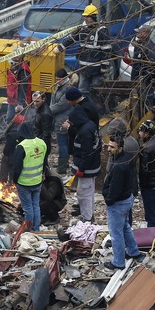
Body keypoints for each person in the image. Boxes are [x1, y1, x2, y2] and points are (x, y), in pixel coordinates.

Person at [102, 136, 142, 270]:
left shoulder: (119, 165)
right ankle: (133, 251)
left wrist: (108, 199)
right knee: (125, 227)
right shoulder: (126, 158)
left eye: (112, 147)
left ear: (120, 148)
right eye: (108, 146)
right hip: (126, 199)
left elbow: (115, 188)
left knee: (116, 234)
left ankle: (118, 262)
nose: (109, 149)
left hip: (118, 203)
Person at [62, 88, 101, 222]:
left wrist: (81, 170)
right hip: (89, 165)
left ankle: (87, 219)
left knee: (84, 193)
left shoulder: (84, 132)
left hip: (87, 168)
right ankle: (87, 215)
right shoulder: (87, 125)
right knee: (87, 192)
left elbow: (87, 152)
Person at [58, 4, 113, 93]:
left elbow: (106, 50)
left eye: (88, 16)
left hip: (96, 70)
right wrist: (60, 47)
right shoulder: (82, 29)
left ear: (93, 17)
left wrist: (104, 67)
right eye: (85, 16)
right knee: (82, 92)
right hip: (84, 69)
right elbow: (72, 39)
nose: (85, 19)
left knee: (95, 92)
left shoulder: (101, 31)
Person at [11, 121, 47, 231]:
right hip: (37, 180)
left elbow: (17, 167)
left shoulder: (22, 146)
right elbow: (44, 161)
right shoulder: (42, 143)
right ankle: (36, 228)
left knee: (27, 208)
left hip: (24, 182)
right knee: (36, 205)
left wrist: (15, 180)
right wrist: (43, 174)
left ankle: (30, 229)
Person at [138, 121, 155, 227]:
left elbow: (144, 170)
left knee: (151, 213)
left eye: (141, 131)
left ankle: (154, 238)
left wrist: (142, 184)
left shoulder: (146, 148)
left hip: (149, 185)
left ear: (146, 133)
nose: (139, 133)